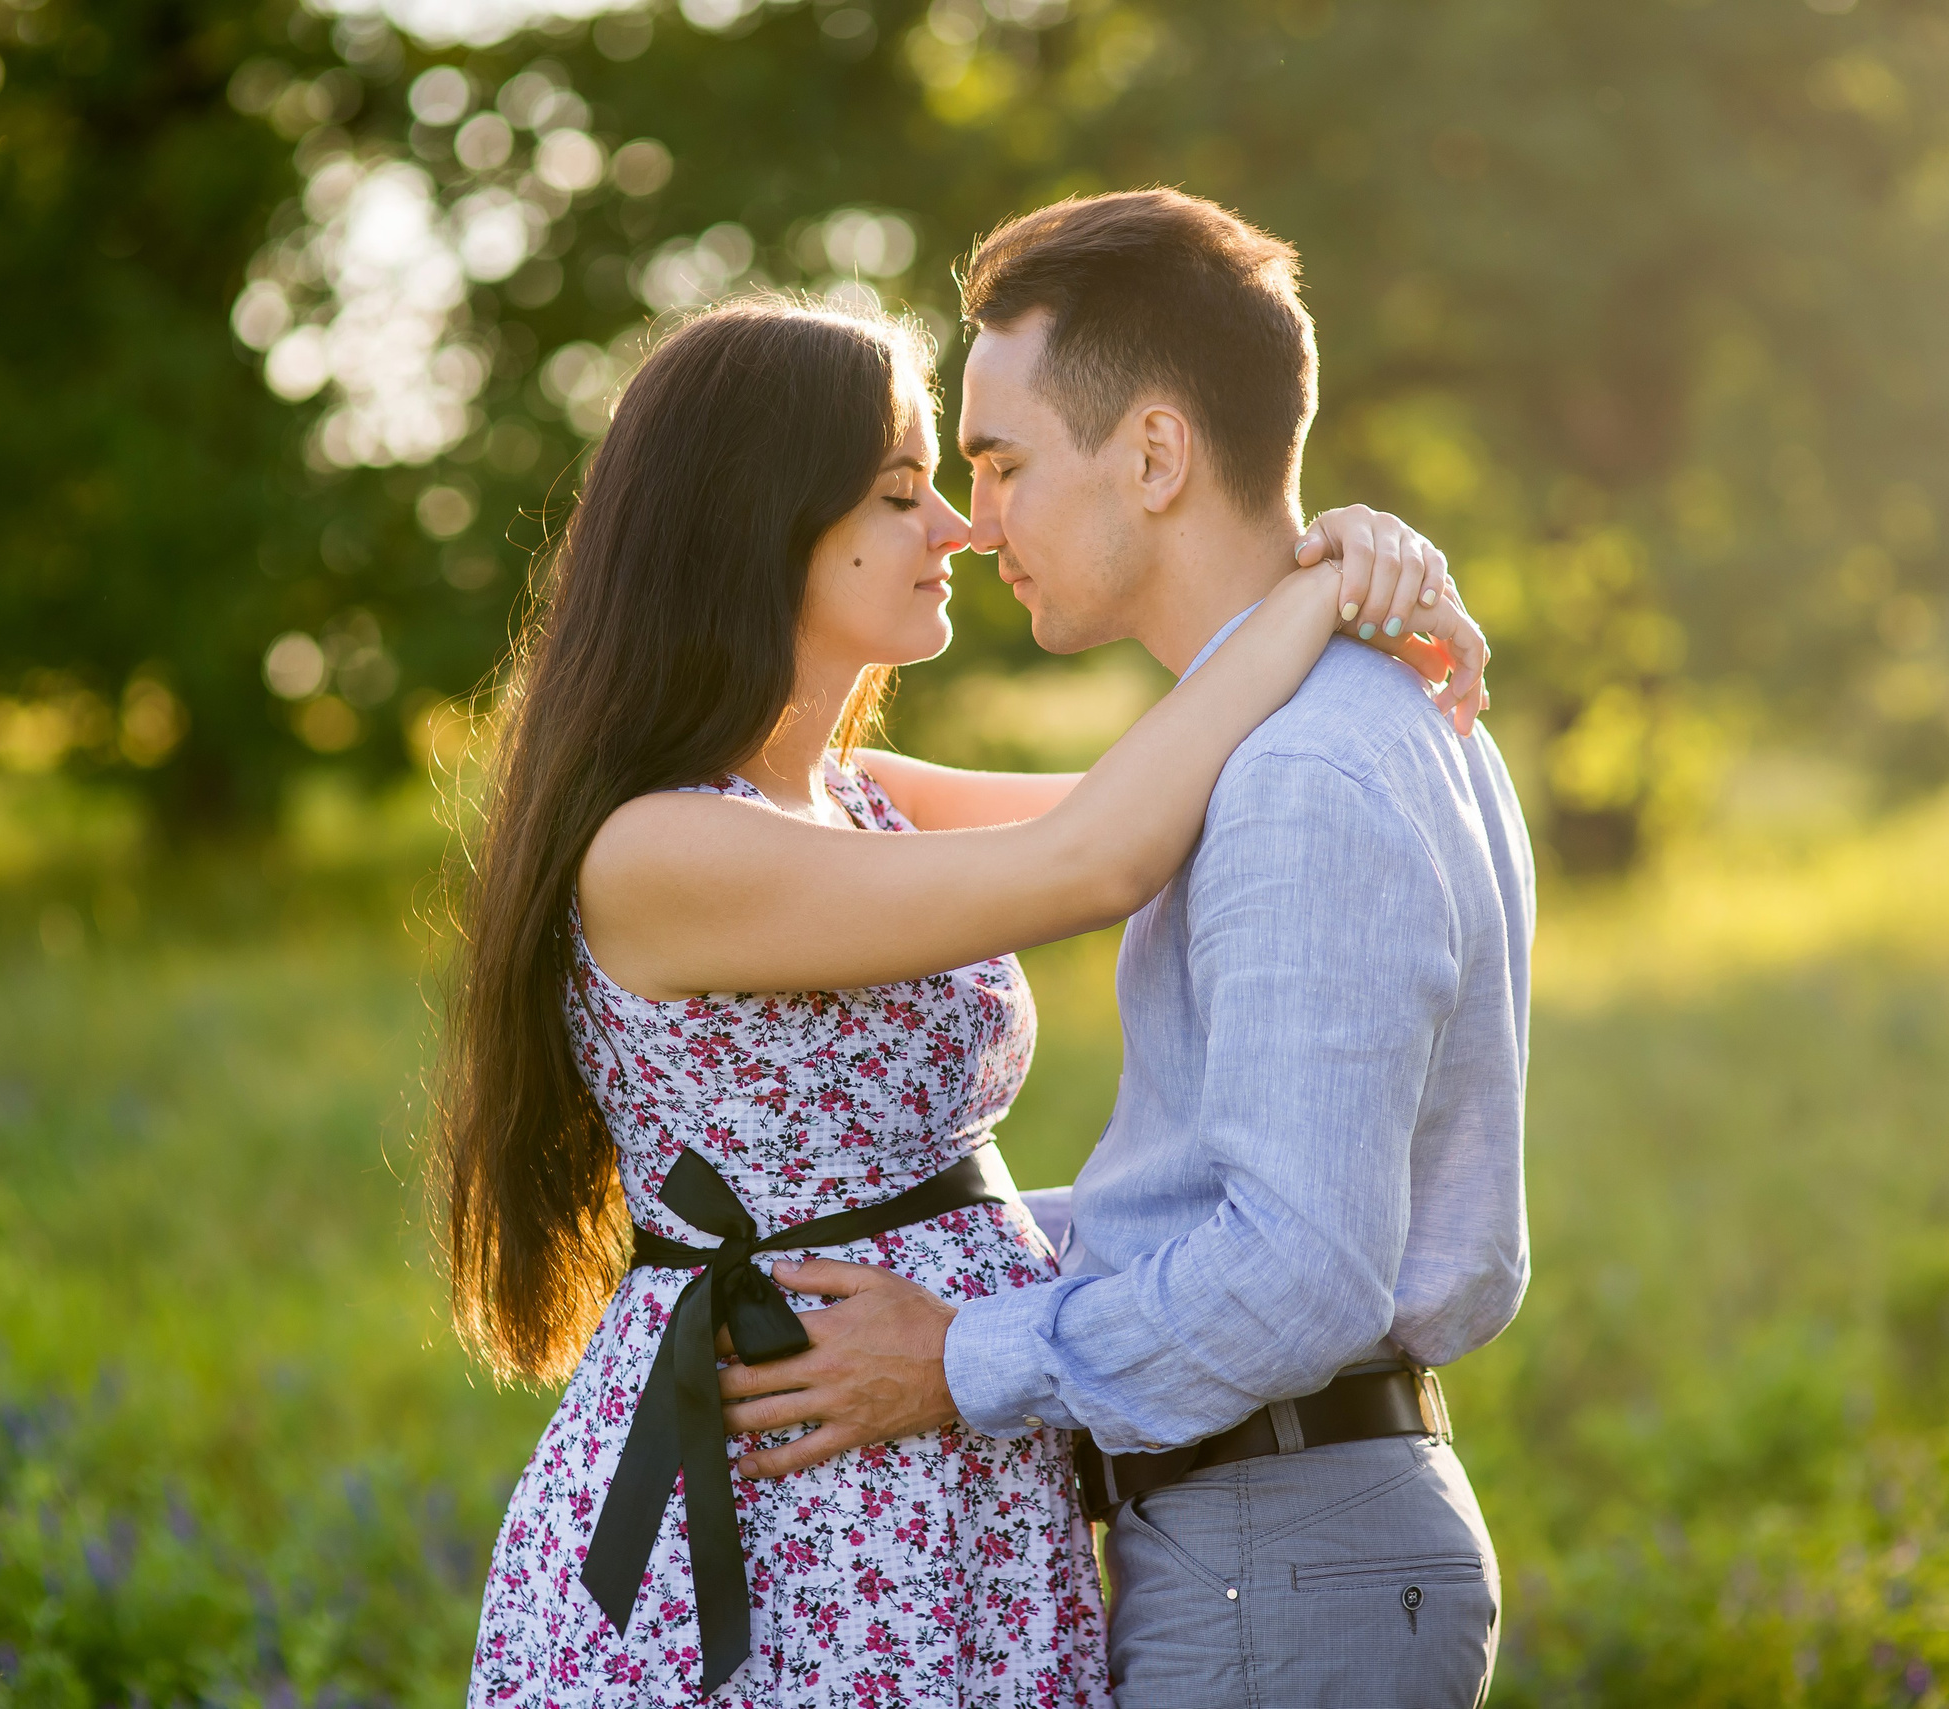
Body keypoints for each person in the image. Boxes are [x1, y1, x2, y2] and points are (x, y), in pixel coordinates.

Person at [438, 290, 1487, 1708]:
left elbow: (1203, 794)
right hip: (782, 1508)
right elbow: (1099, 852)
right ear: (762, 523)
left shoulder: (862, 799)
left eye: (957, 482)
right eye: (902, 490)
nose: (961, 527)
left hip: (949, 1476)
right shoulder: (660, 849)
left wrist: (1366, 557)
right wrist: (1313, 593)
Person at [719, 192, 1534, 1709]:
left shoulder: (1302, 773)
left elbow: (1299, 1267)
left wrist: (955, 1357)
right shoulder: (1322, 727)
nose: (974, 521)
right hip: (1262, 1539)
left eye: (1002, 463)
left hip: (1277, 1556)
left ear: (1153, 455)